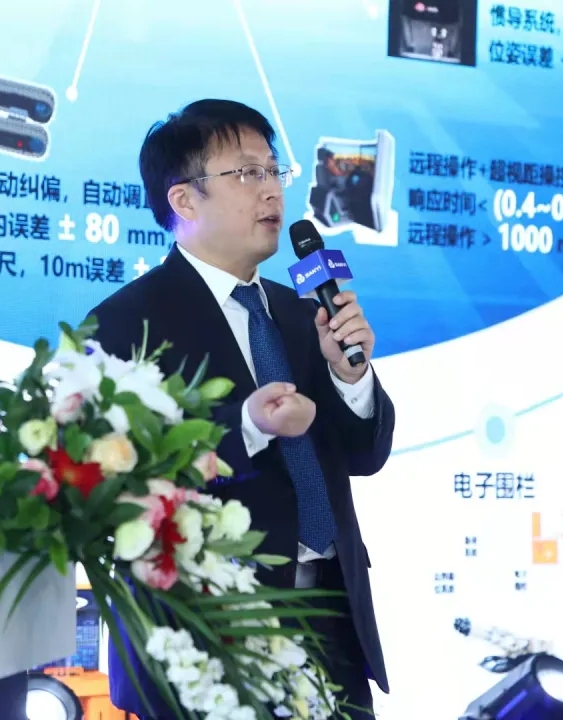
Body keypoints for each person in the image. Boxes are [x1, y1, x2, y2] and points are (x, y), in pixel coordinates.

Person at [86, 99, 395, 720]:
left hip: (332, 624)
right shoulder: (125, 323)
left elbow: (364, 455)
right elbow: (116, 479)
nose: (272, 190)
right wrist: (248, 427)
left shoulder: (303, 313)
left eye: (274, 172)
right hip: (207, 638)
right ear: (184, 200)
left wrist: (350, 377)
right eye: (247, 173)